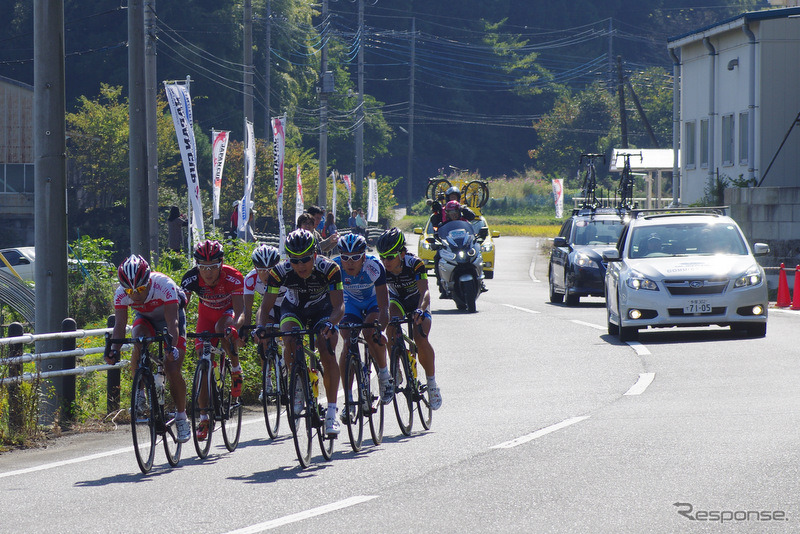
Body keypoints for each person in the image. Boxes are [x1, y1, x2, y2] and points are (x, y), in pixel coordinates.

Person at [256, 229, 345, 435]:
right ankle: (296, 385)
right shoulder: (279, 272)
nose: (300, 265)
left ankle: (331, 412)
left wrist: (332, 324)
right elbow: (265, 305)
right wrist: (260, 326)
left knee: (326, 348)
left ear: (315, 254)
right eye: (294, 260)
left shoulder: (330, 269)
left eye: (305, 259)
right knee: (289, 337)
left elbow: (339, 306)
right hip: (294, 309)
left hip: (323, 310)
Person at [106, 255, 191, 443]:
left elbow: (173, 322)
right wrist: (113, 350)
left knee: (172, 368)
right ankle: (140, 392)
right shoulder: (121, 294)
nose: (135, 294)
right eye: (130, 290)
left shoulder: (164, 285)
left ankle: (182, 417)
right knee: (139, 339)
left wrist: (171, 347)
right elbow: (120, 326)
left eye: (141, 289)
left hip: (171, 318)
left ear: (148, 281)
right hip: (146, 319)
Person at [180, 239, 245, 441]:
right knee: (203, 365)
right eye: (203, 267)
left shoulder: (233, 277)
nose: (208, 273)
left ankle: (235, 369)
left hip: (227, 313)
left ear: (221, 263)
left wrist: (235, 327)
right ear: (197, 266)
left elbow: (241, 311)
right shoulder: (190, 278)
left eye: (214, 267)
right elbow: (180, 310)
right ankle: (204, 418)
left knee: (222, 328)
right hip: (205, 316)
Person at [376, 228, 442, 410]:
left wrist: (421, 310)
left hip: (417, 301)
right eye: (382, 257)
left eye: (390, 257)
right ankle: (396, 366)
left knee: (420, 338)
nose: (385, 261)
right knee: (390, 321)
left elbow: (425, 292)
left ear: (402, 253)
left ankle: (432, 384)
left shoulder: (415, 264)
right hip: (397, 300)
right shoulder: (381, 269)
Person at [333, 233, 394, 410]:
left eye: (355, 258)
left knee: (370, 334)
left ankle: (384, 376)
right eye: (345, 257)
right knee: (347, 342)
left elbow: (384, 307)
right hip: (351, 303)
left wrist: (381, 331)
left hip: (373, 303)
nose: (350, 262)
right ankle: (349, 400)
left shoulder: (374, 266)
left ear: (364, 257)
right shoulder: (335, 267)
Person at [242, 244, 284, 402]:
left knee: (290, 337)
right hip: (270, 308)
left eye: (270, 269)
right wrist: (245, 332)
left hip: (288, 304)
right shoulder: (250, 278)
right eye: (261, 270)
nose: (266, 274)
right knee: (263, 337)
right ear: (255, 267)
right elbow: (247, 308)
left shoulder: (285, 273)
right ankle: (267, 382)